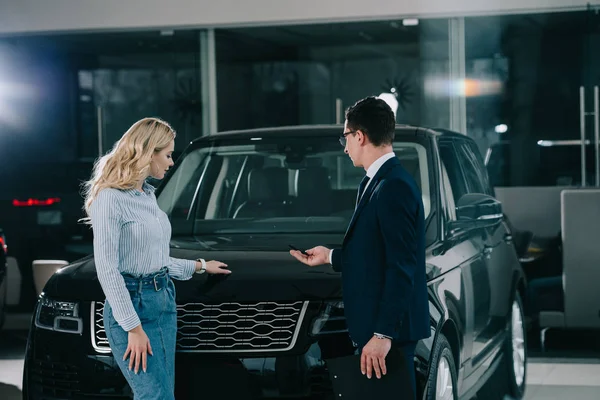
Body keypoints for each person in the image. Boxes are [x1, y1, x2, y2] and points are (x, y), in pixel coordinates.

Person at [289, 97, 430, 397]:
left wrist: (383, 333)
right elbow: (376, 254)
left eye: (346, 137)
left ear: (360, 136)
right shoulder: (376, 181)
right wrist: (329, 256)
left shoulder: (393, 186)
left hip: (389, 334)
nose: (344, 146)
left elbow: (402, 266)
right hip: (375, 330)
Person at [82, 117, 231, 400]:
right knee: (155, 396)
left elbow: (155, 259)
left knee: (165, 394)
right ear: (147, 152)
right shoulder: (110, 199)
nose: (171, 162)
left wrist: (200, 266)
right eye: (167, 154)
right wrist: (133, 328)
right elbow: (107, 269)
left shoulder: (147, 196)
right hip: (132, 308)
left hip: (163, 303)